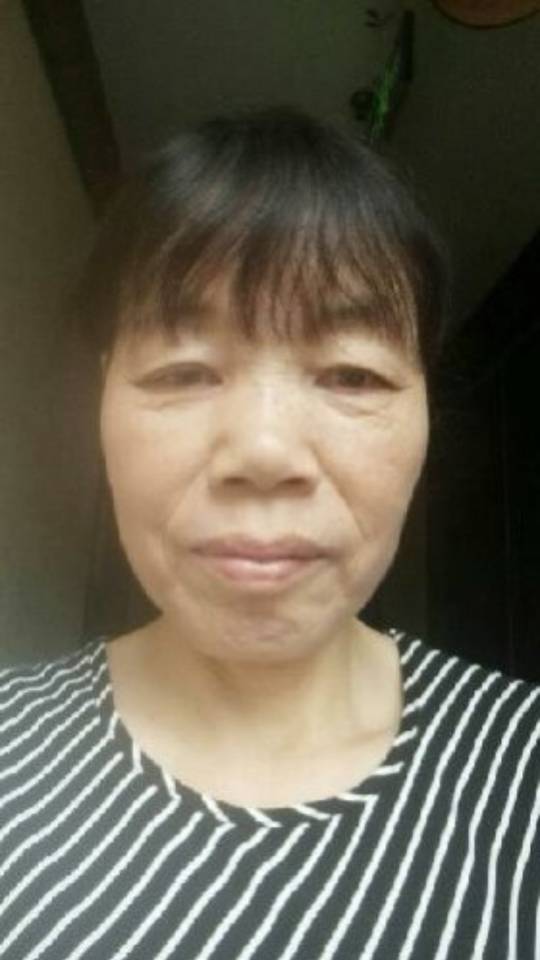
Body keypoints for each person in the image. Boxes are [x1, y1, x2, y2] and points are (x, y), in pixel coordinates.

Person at [0, 108, 538, 960]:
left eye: (352, 374)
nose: (263, 451)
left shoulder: (520, 768)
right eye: (182, 371)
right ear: (101, 404)